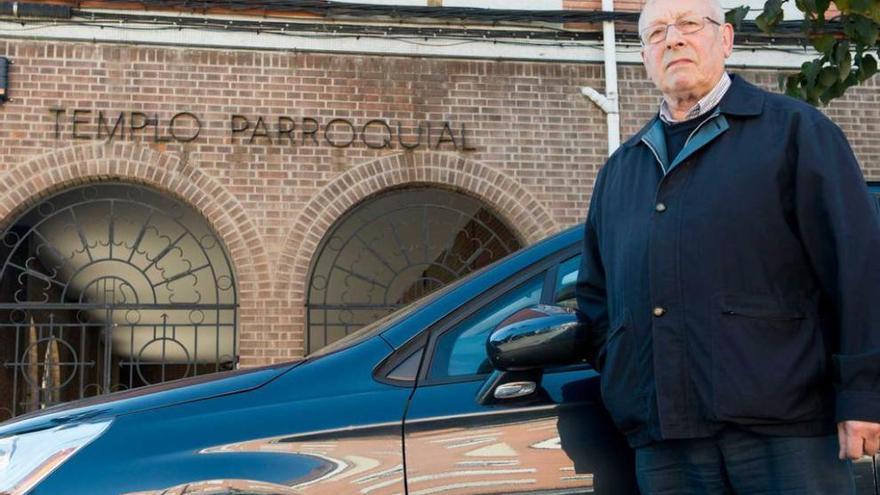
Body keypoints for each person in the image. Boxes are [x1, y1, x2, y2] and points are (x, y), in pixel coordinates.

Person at [574, 0, 880, 492]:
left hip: (788, 435)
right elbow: (595, 300)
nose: (672, 40)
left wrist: (864, 396)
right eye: (655, 34)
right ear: (645, 57)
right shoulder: (621, 169)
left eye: (689, 25)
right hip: (667, 442)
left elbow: (859, 271)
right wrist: (625, 377)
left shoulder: (796, 134)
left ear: (726, 39)